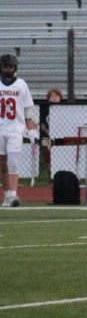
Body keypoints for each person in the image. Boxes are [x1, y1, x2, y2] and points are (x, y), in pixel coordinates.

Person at [0, 54, 36, 208]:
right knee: (2, 165)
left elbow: (28, 110)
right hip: (0, 128)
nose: (8, 69)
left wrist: (31, 129)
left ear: (15, 68)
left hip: (16, 129)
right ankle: (7, 195)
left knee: (13, 162)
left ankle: (14, 195)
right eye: (5, 66)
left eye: (10, 66)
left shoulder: (21, 84)